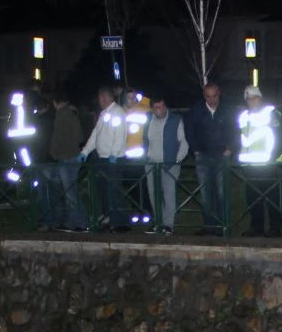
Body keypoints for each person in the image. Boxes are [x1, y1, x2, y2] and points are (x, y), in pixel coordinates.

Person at [80, 85, 131, 232]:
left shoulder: (118, 112)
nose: (99, 101)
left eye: (100, 98)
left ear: (104, 97)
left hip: (113, 159)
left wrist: (114, 154)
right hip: (103, 158)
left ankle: (121, 224)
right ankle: (111, 220)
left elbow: (120, 134)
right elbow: (96, 134)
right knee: (105, 192)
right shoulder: (104, 114)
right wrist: (85, 151)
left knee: (114, 192)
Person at [186, 82, 233, 234]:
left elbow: (236, 129)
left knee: (221, 193)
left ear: (219, 94)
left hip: (221, 155)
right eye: (207, 96)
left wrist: (230, 148)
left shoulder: (227, 110)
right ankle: (209, 226)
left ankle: (223, 226)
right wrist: (196, 150)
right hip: (203, 156)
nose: (211, 99)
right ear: (203, 95)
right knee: (205, 195)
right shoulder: (197, 110)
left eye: (214, 96)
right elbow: (189, 130)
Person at [237, 86, 282, 238]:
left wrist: (276, 156)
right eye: (248, 98)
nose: (251, 101)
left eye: (254, 98)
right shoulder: (243, 116)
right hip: (249, 165)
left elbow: (281, 136)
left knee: (272, 199)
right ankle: (256, 227)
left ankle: (275, 229)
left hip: (267, 164)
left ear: (260, 98)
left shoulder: (270, 113)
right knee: (253, 200)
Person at [142, 94, 189, 234]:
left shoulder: (176, 119)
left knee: (169, 194)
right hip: (151, 163)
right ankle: (158, 222)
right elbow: (145, 139)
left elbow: (183, 143)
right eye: (156, 107)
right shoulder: (148, 119)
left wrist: (176, 161)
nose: (160, 110)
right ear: (152, 109)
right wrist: (145, 157)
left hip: (170, 163)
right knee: (153, 194)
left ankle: (168, 225)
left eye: (162, 106)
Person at [43, 91, 89, 232]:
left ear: (56, 103)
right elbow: (81, 136)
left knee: (70, 193)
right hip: (75, 155)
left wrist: (52, 154)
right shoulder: (73, 114)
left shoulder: (61, 116)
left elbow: (57, 140)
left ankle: (79, 222)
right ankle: (73, 221)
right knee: (71, 191)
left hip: (65, 157)